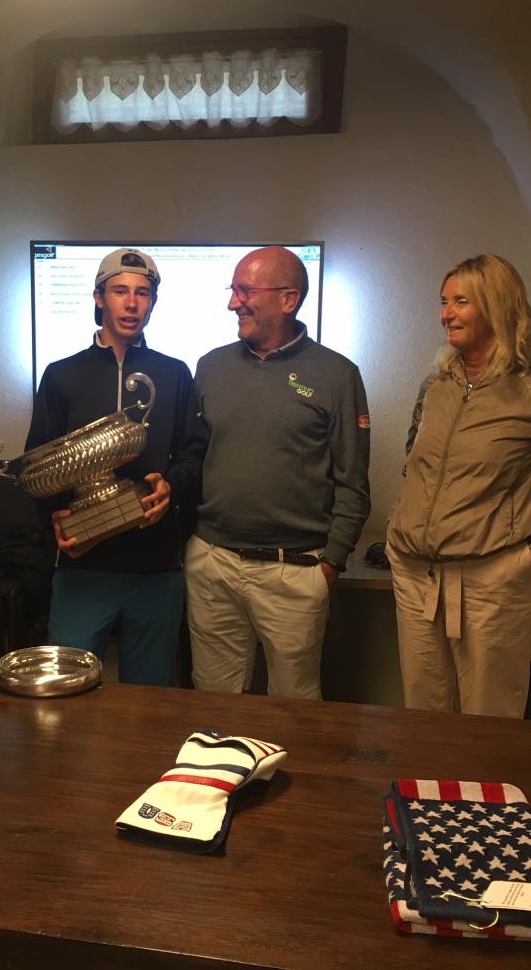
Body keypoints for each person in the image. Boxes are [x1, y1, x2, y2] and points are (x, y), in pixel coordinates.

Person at [185, 246, 371, 698]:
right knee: (214, 704)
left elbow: (353, 481)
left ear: (288, 299)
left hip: (296, 570)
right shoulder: (210, 367)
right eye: (232, 290)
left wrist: (331, 563)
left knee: (294, 709)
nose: (233, 303)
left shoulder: (337, 375)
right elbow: (193, 458)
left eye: (245, 291)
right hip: (213, 564)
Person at [25, 248, 203, 685]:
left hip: (155, 564)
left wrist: (171, 486)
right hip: (85, 564)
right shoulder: (61, 375)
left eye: (143, 293)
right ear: (99, 297)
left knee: (150, 698)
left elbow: (193, 452)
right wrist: (55, 519)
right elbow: (37, 462)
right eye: (120, 291)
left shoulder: (175, 374)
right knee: (68, 687)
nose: (132, 303)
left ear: (153, 302)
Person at [387, 253, 531, 718]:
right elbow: (415, 464)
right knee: (424, 717)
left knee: (488, 723)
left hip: (491, 580)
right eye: (443, 302)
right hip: (417, 575)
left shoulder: (525, 389)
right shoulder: (437, 384)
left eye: (461, 302)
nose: (446, 314)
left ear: (497, 305)